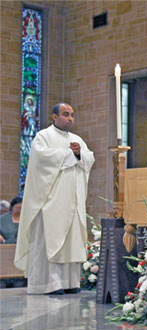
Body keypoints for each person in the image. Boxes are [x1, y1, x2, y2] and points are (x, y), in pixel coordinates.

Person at [14, 103, 95, 295]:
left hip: (72, 202)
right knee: (50, 240)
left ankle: (70, 282)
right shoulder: (43, 136)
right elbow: (42, 159)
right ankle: (49, 284)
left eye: (72, 115)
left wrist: (79, 154)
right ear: (54, 116)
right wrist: (70, 154)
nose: (70, 119)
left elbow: (89, 159)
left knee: (71, 241)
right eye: (66, 114)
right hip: (50, 202)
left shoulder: (77, 140)